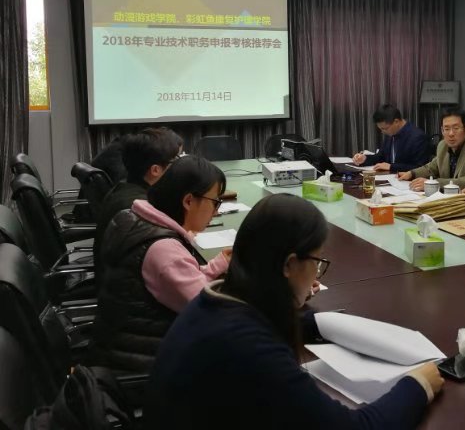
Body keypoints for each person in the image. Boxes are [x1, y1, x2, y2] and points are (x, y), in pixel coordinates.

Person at [145, 193, 444, 429]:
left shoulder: (217, 301)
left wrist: (319, 324)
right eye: (317, 261)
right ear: (289, 264)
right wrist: (418, 385)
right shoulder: (249, 348)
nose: (317, 272)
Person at [90, 155, 230, 373]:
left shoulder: (132, 217)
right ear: (188, 201)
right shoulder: (164, 250)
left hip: (119, 349)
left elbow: (177, 282)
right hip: (143, 366)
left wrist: (218, 264)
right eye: (215, 202)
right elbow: (209, 312)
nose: (217, 211)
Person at [94, 128, 183, 271]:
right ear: (155, 170)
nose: (180, 166)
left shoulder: (124, 187)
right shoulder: (139, 208)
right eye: (176, 160)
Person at [398, 108, 465, 190]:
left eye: (456, 128)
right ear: (442, 130)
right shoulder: (443, 145)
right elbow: (432, 168)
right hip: (453, 198)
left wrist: (433, 183)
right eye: (446, 129)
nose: (451, 134)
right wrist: (411, 173)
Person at [352, 104, 429, 173]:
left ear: (396, 122)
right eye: (380, 129)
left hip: (408, 181)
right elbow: (381, 157)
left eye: (384, 128)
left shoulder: (418, 137)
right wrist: (365, 159)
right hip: (389, 177)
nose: (382, 132)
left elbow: (421, 168)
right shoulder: (392, 133)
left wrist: (391, 167)